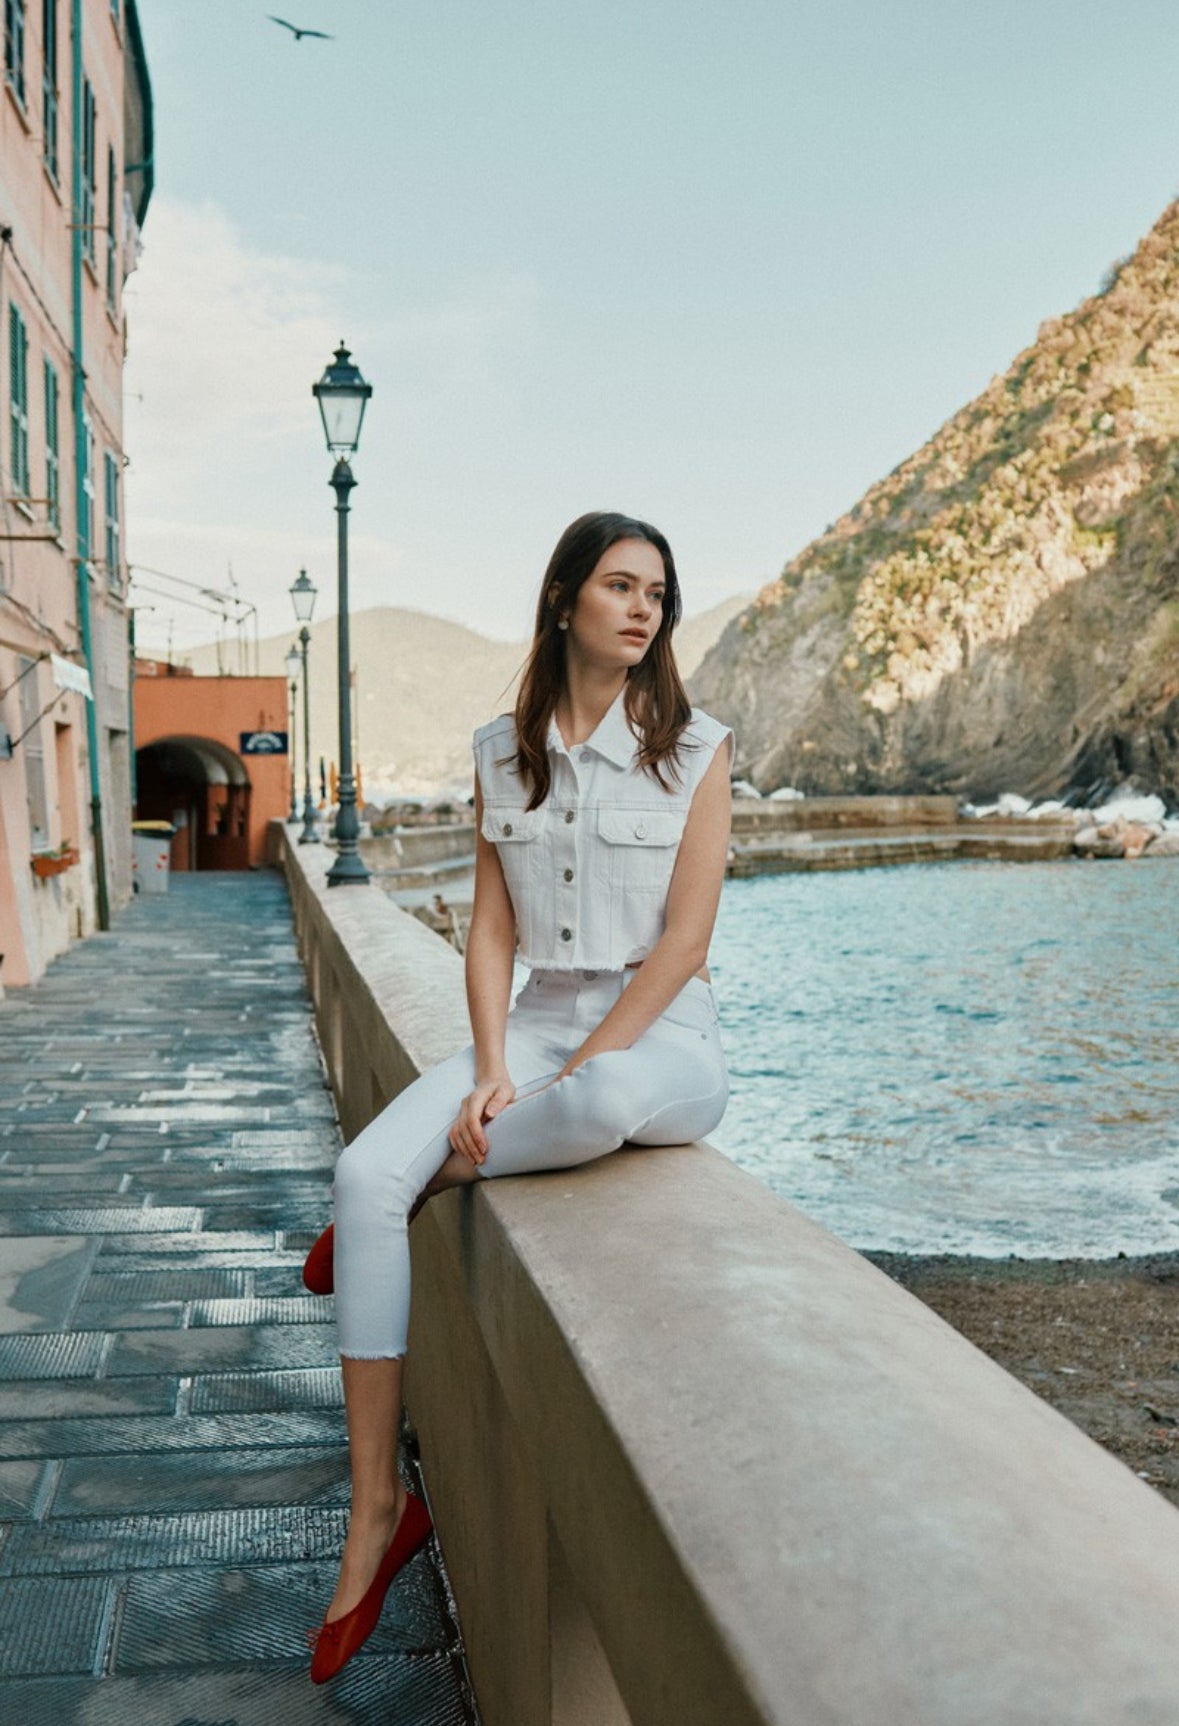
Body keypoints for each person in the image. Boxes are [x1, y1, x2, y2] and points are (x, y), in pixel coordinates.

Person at [303, 510, 734, 1683]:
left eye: (657, 592)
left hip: (662, 1039)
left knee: (592, 1105)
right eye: (620, 585)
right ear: (563, 599)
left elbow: (686, 943)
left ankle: (426, 1182)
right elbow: (491, 928)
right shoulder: (503, 751)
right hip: (534, 1024)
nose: (643, 608)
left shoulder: (695, 748)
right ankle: (378, 1506)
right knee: (360, 1170)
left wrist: (585, 1060)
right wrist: (494, 1062)